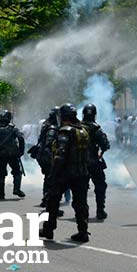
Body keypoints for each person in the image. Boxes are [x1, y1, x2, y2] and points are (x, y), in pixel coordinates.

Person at [40, 103, 91, 242]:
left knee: (53, 200)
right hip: (82, 172)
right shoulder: (83, 130)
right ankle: (83, 232)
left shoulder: (65, 131)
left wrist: (53, 174)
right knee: (81, 203)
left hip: (65, 173)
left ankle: (48, 229)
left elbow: (60, 155)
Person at [0, 110, 26, 199]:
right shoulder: (12, 128)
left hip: (1, 153)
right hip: (12, 153)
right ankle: (16, 189)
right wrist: (21, 151)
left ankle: (1, 194)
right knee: (17, 172)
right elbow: (21, 138)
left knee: (1, 174)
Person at [81, 104, 111, 220]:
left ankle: (82, 212)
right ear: (94, 114)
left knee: (80, 188)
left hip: (79, 161)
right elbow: (105, 144)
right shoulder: (96, 128)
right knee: (100, 185)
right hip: (93, 161)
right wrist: (101, 151)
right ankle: (100, 210)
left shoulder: (78, 127)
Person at [29, 107, 60, 208]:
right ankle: (48, 202)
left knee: (48, 178)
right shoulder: (52, 128)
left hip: (43, 156)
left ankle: (45, 200)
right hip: (47, 157)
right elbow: (49, 143)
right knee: (52, 180)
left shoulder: (46, 125)